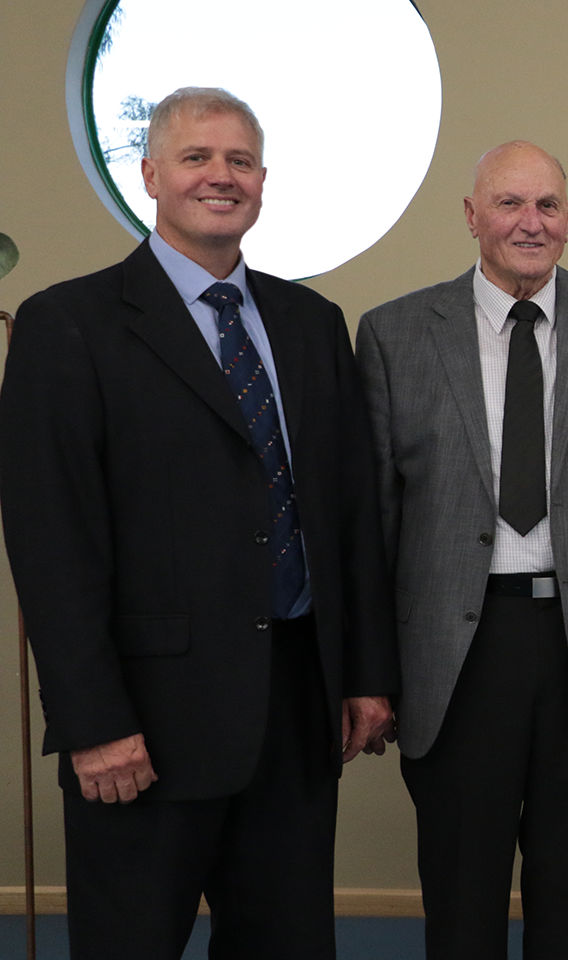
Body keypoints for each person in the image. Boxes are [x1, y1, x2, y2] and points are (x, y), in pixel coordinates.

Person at [0, 87, 396, 959]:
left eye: (241, 161)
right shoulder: (69, 326)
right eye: (196, 158)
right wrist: (91, 721)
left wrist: (365, 673)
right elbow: (50, 541)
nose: (222, 177)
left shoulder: (311, 324)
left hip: (295, 714)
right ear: (150, 175)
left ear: (262, 182)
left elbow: (349, 516)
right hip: (145, 726)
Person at [355, 140, 568, 958]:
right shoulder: (396, 334)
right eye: (509, 204)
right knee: (462, 899)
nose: (529, 222)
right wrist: (366, 673)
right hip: (452, 658)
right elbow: (370, 526)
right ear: (472, 217)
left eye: (547, 205)